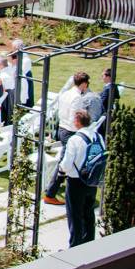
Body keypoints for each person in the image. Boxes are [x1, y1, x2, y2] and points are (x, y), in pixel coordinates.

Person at [44, 72, 91, 205]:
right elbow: (73, 118)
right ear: (83, 83)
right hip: (70, 131)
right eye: (87, 83)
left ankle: (51, 191)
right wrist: (80, 133)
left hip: (62, 128)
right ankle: (50, 193)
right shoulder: (77, 97)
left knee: (65, 162)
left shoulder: (66, 93)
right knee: (65, 164)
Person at [59, 110, 103, 247]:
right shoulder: (98, 136)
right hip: (92, 180)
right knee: (89, 213)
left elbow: (66, 164)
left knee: (75, 216)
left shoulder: (75, 139)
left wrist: (61, 170)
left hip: (76, 181)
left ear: (78, 122)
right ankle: (88, 243)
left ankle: (75, 246)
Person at [10, 39, 34, 107]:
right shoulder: (20, 56)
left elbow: (21, 72)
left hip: (25, 80)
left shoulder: (25, 59)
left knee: (26, 99)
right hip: (22, 78)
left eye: (13, 48)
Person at [98, 68, 119, 136]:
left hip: (106, 116)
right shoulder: (114, 86)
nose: (102, 77)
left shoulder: (108, 89)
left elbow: (101, 102)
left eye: (103, 76)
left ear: (108, 77)